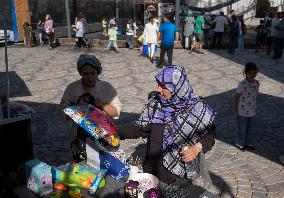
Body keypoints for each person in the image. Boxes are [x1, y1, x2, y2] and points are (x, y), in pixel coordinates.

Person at [118, 65, 216, 191]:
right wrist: (113, 131)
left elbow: (210, 136)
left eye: (163, 86)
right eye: (158, 84)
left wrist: (196, 148)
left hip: (177, 175)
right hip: (151, 168)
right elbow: (139, 128)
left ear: (177, 88)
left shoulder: (197, 109)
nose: (158, 89)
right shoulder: (155, 104)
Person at [59, 54, 122, 161]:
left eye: (93, 73)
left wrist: (103, 105)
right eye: (85, 74)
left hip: (103, 139)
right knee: (84, 170)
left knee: (102, 167)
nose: (89, 77)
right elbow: (62, 111)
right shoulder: (72, 88)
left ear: (98, 72)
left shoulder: (106, 88)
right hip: (79, 139)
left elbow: (116, 112)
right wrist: (76, 109)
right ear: (80, 73)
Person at [233, 62, 259, 150]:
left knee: (250, 129)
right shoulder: (242, 84)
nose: (252, 75)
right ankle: (239, 142)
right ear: (245, 73)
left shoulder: (257, 83)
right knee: (242, 128)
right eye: (249, 73)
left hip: (252, 111)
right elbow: (237, 97)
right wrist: (236, 109)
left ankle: (248, 142)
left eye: (254, 73)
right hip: (242, 111)